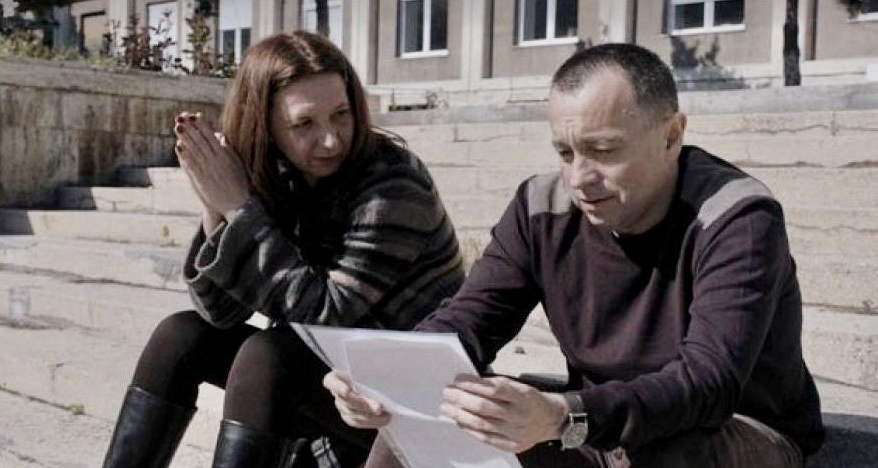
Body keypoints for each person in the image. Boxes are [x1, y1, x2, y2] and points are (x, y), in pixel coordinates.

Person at [324, 43, 824, 467]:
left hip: (732, 430)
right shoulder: (541, 206)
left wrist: (566, 415)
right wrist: (386, 376)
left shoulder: (736, 218)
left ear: (671, 136)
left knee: (673, 445)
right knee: (447, 408)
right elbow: (471, 318)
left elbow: (707, 383)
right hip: (592, 425)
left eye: (603, 151)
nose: (580, 178)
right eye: (565, 153)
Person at [101, 31, 464, 468]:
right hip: (333, 382)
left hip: (408, 403)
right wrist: (215, 207)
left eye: (341, 115)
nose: (330, 140)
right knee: (181, 336)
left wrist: (239, 209)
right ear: (266, 125)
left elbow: (328, 315)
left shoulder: (394, 183)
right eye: (304, 124)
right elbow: (220, 314)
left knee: (270, 355)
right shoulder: (279, 175)